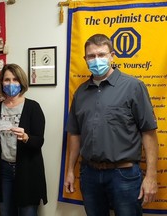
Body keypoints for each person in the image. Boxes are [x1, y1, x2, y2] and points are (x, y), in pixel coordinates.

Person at [64, 34, 158, 216]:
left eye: (101, 54)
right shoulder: (81, 93)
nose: (96, 60)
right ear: (85, 59)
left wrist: (151, 176)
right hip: (89, 174)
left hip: (124, 175)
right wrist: (69, 171)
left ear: (112, 56)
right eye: (91, 56)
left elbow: (149, 133)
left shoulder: (133, 86)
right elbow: (74, 134)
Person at [0, 63, 47, 216]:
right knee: (5, 212)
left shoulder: (33, 107)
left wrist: (26, 137)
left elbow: (39, 142)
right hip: (4, 170)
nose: (11, 84)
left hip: (27, 169)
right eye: (7, 80)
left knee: (27, 212)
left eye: (15, 80)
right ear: (1, 83)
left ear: (21, 82)